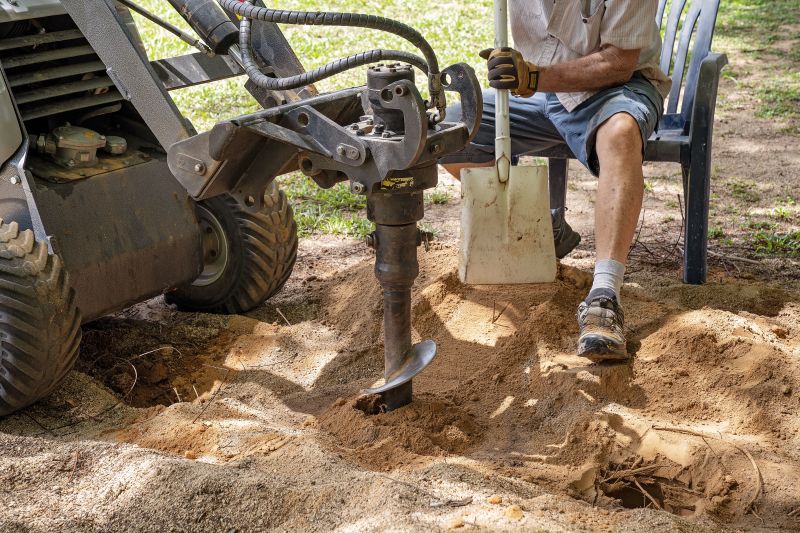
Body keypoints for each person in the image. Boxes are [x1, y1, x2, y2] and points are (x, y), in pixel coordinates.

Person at [441, 0, 671, 362]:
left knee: (622, 134)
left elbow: (618, 63)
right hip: (536, 92)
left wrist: (535, 77)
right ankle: (540, 232)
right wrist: (531, 78)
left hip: (613, 90)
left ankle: (604, 296)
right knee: (452, 130)